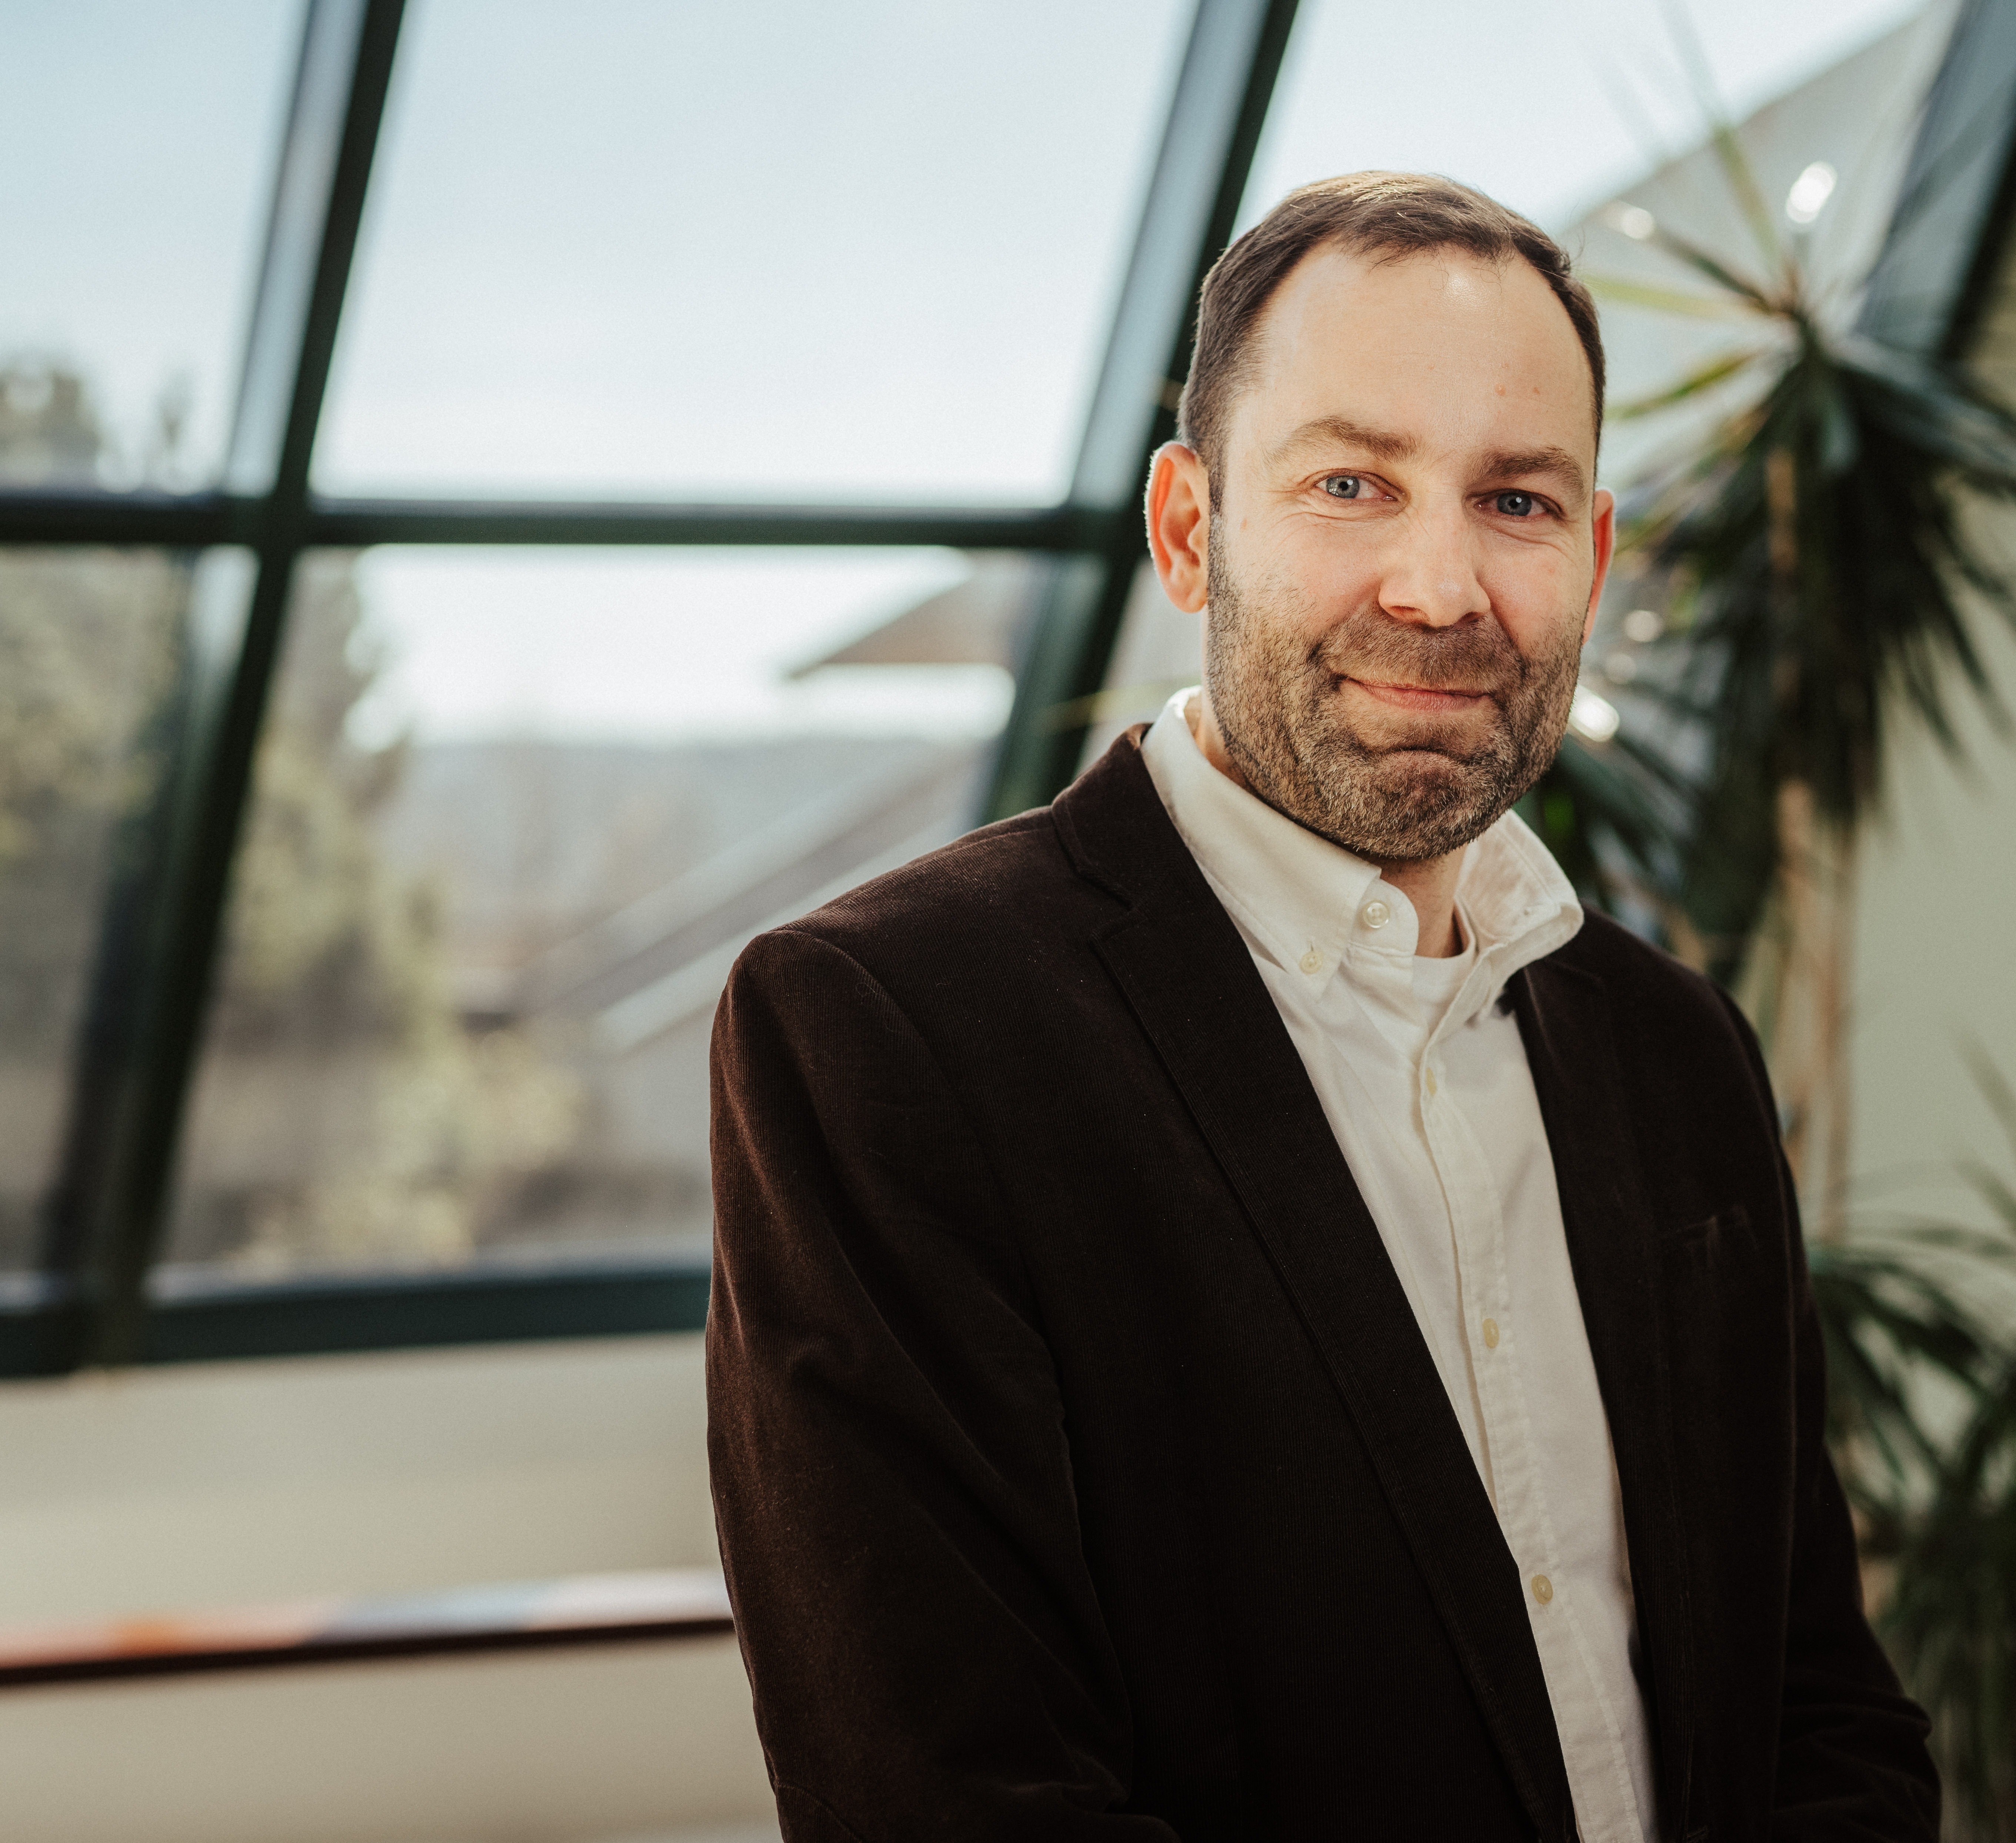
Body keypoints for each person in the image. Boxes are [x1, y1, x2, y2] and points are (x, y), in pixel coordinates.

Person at [707, 170, 1939, 1843]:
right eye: (1352, 484)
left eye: (1514, 500)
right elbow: (951, 1807)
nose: (1438, 588)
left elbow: (1820, 1709)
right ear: (1190, 531)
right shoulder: (884, 1031)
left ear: (1591, 559)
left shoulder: (1678, 1054)